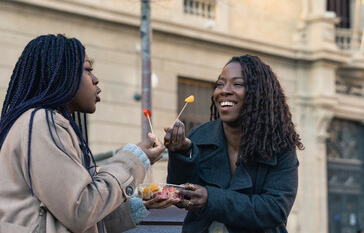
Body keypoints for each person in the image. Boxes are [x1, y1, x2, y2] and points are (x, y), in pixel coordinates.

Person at [0, 34, 177, 233]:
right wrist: (132, 159)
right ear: (62, 74)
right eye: (88, 69)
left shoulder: (43, 122)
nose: (95, 79)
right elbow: (80, 211)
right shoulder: (41, 121)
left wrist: (141, 205)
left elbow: (75, 215)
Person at [164, 54, 304, 233]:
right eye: (220, 84)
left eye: (237, 84)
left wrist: (211, 199)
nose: (224, 90)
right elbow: (180, 195)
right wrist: (182, 154)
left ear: (258, 94)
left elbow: (275, 210)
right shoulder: (199, 136)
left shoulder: (279, 146)